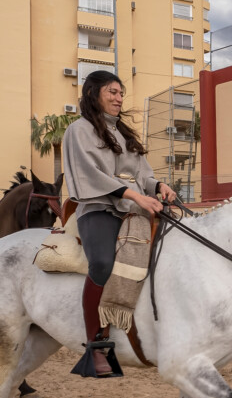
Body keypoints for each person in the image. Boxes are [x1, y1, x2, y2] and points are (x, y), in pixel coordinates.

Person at [62, 70, 177, 379]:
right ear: (92, 94)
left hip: (133, 206)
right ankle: (96, 345)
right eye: (112, 92)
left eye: (121, 93)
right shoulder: (79, 130)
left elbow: (144, 173)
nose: (118, 98)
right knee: (101, 263)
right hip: (98, 207)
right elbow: (90, 175)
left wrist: (158, 187)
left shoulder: (124, 133)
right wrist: (136, 197)